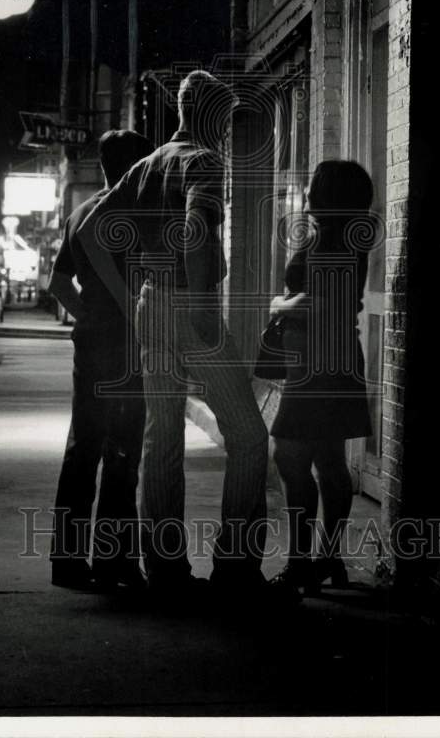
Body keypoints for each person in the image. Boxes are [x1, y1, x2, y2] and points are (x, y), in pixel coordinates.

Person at [77, 71, 273, 606]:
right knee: (250, 436)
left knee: (161, 436)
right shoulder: (203, 163)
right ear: (209, 114)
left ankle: (165, 571)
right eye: (226, 121)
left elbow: (91, 231)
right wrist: (204, 302)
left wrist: (127, 295)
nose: (228, 133)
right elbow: (195, 229)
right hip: (190, 304)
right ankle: (236, 567)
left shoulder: (146, 165)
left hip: (149, 304)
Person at [48, 129, 154, 591]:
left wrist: (88, 314)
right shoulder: (136, 215)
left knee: (83, 447)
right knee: (123, 450)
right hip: (130, 345)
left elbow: (56, 285)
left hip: (90, 343)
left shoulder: (80, 215)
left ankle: (67, 563)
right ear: (137, 165)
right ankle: (115, 561)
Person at [268, 159, 374, 594]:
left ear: (329, 196)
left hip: (318, 364)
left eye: (313, 186)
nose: (306, 192)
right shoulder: (340, 238)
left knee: (290, 456)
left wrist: (279, 305)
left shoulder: (335, 242)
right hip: (326, 359)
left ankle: (302, 564)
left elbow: (322, 303)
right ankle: (327, 560)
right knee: (328, 460)